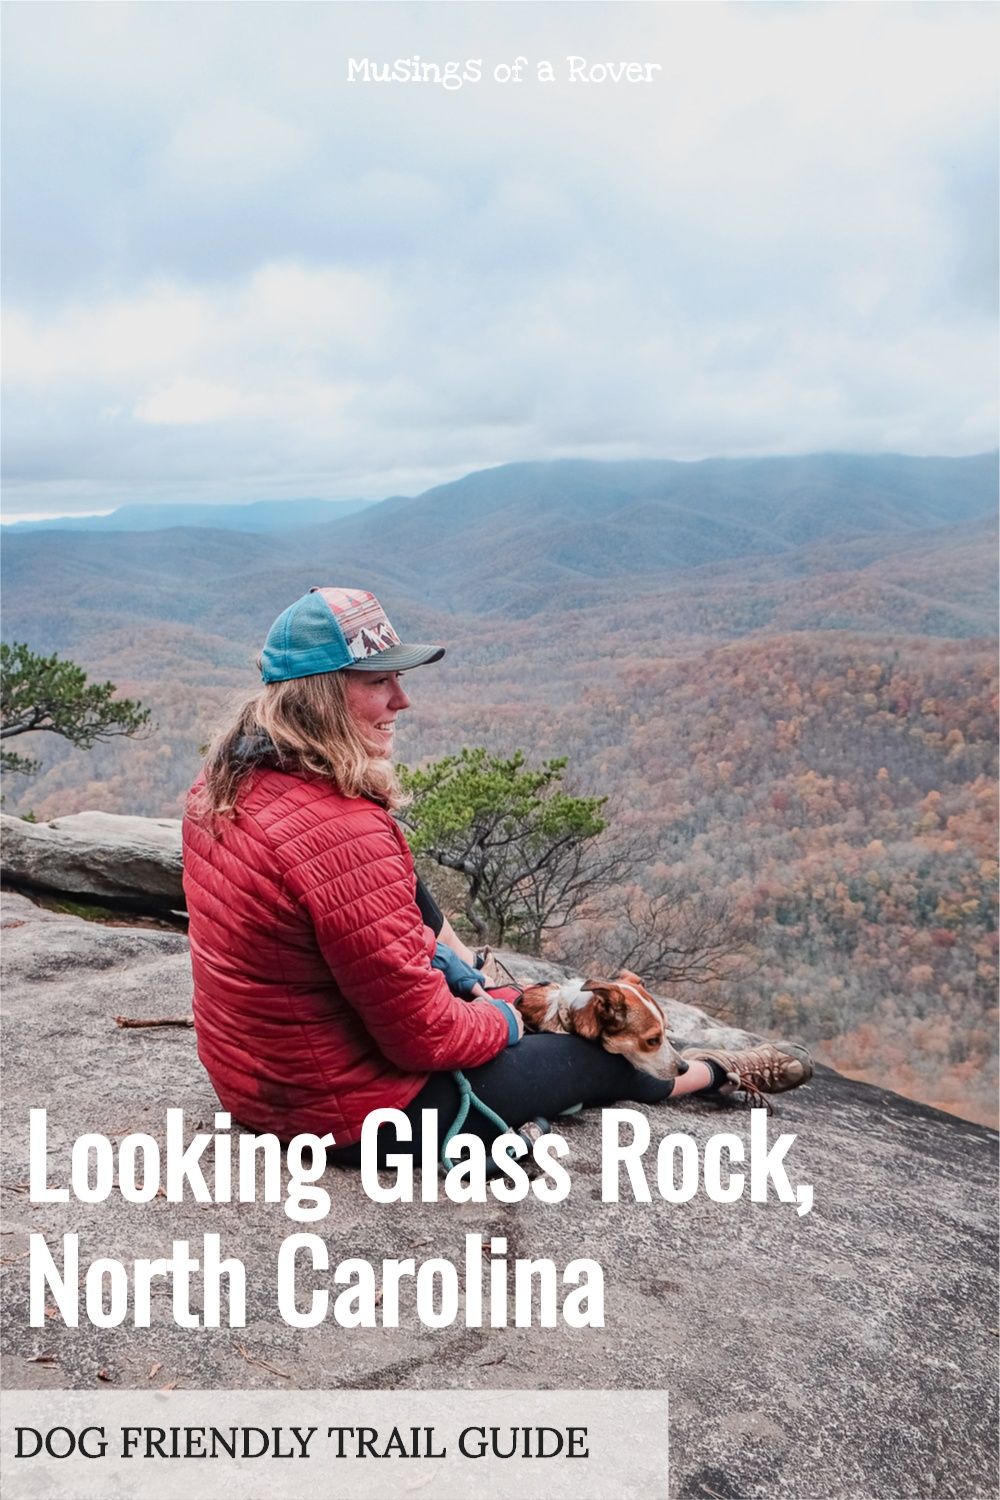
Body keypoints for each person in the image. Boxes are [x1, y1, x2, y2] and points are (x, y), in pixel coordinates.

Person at [182, 585, 813, 1166]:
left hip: (253, 1081)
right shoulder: (343, 833)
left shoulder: (220, 784)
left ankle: (488, 999)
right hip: (346, 1114)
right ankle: (712, 1071)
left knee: (398, 875)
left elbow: (362, 911)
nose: (402, 700)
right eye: (381, 683)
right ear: (320, 695)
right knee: (594, 1049)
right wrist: (508, 1018)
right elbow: (424, 1039)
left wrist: (471, 987)